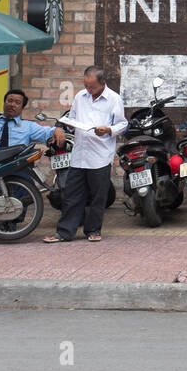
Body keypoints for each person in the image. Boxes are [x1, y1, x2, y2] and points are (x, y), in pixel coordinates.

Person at [44, 65, 127, 244]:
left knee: (98, 195)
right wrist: (64, 125)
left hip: (100, 154)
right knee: (72, 194)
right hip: (79, 153)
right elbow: (72, 117)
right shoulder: (80, 97)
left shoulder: (114, 99)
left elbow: (122, 124)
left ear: (103, 83)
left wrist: (108, 129)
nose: (89, 90)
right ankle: (65, 231)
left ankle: (93, 230)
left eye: (92, 87)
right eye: (86, 85)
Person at [0, 89, 66, 151]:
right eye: (10, 101)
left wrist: (58, 130)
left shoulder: (28, 126)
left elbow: (47, 133)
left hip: (14, 174)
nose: (12, 104)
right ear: (4, 103)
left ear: (22, 108)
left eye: (17, 103)